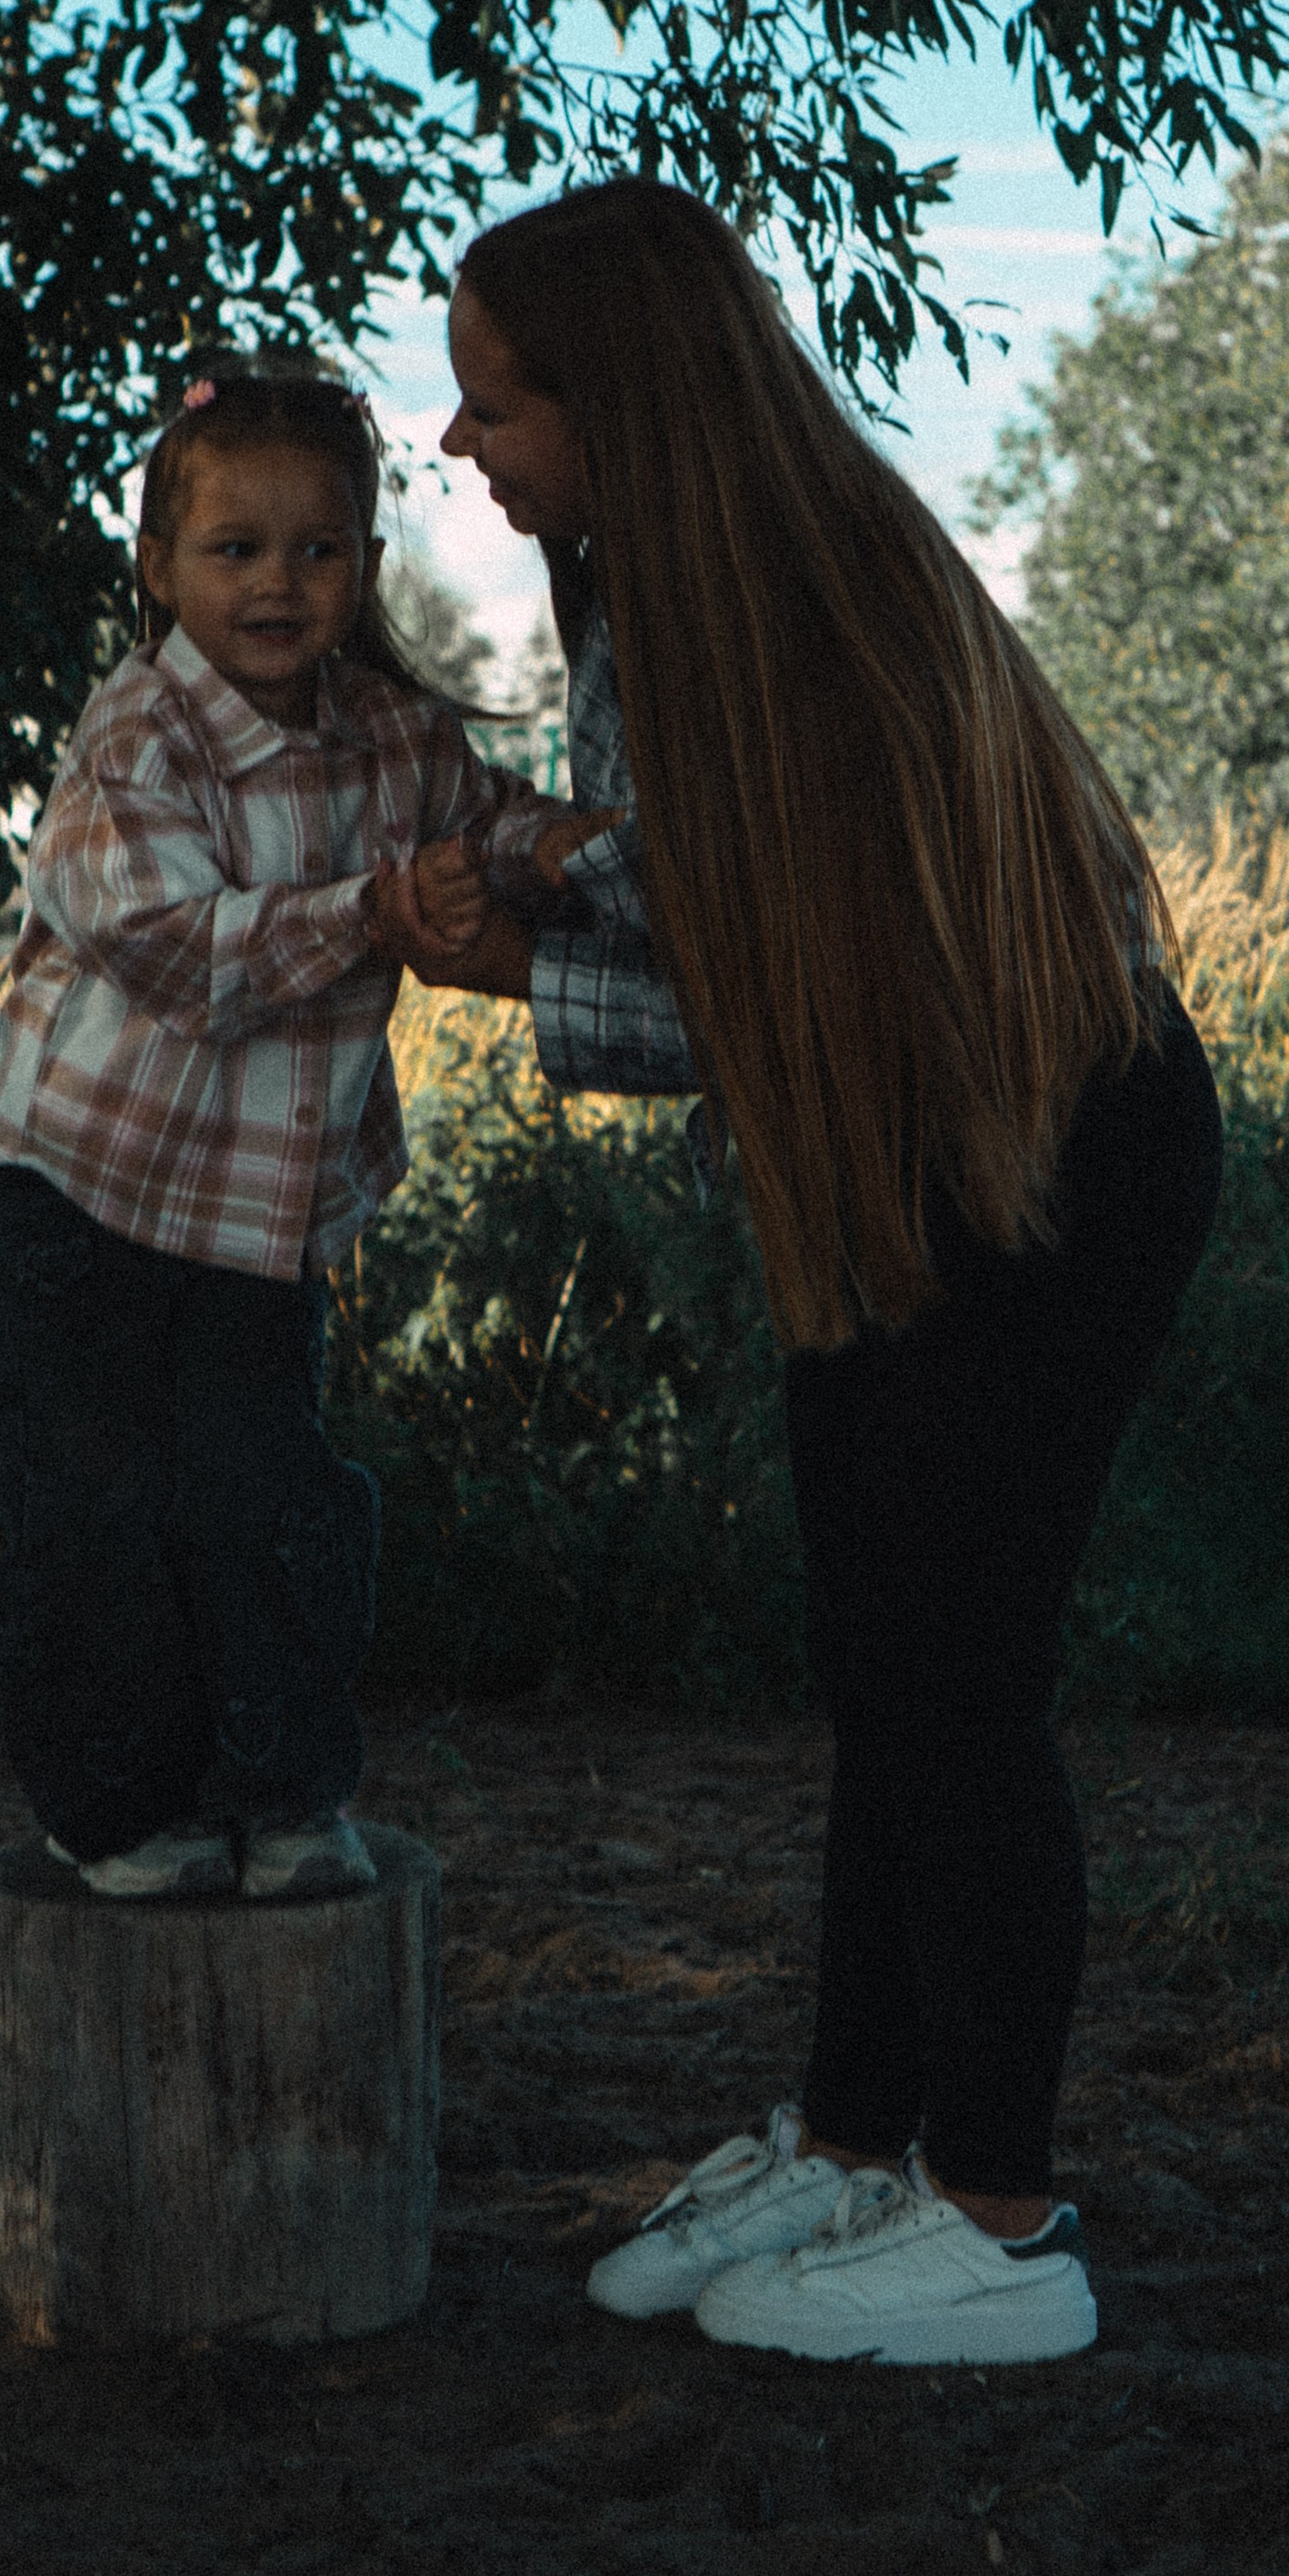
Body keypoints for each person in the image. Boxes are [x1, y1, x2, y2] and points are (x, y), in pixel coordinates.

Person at [422, 178, 1225, 2369]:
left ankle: (997, 2212)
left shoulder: (767, 610)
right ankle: (864, 2136)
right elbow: (724, 936)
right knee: (880, 1659)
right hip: (901, 1169)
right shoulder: (673, 591)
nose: (459, 440)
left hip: (1042, 1162)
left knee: (952, 1673)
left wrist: (516, 958)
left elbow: (775, 985)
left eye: (495, 401)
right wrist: (538, 894)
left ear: (623, 401)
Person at [0, 357, 565, 1903]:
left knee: (264, 1496)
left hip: (257, 1217)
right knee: (95, 1513)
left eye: (318, 551)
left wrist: (542, 852)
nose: (279, 583)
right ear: (159, 568)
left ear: (365, 567)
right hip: (78, 1197)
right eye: (235, 550)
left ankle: (285, 1793)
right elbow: (172, 947)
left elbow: (482, 823)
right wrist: (376, 908)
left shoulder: (391, 736)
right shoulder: (134, 741)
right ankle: (116, 1814)